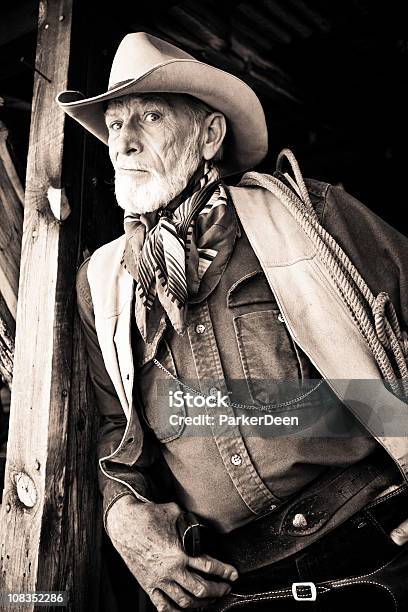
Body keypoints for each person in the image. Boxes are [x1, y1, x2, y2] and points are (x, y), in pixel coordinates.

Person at [57, 32, 408, 611]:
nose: (124, 142)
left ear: (210, 136)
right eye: (115, 125)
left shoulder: (308, 217)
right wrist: (122, 515)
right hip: (234, 587)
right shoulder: (104, 283)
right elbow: (114, 432)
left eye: (149, 115)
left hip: (374, 551)